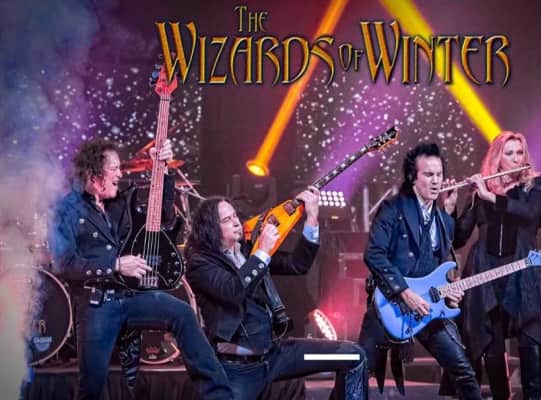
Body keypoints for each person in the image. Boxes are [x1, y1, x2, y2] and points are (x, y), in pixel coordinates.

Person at [49, 138, 232, 400]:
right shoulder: (65, 210)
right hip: (97, 304)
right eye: (114, 168)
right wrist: (115, 265)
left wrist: (163, 169)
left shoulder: (120, 201)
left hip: (132, 296)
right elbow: (64, 264)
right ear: (94, 173)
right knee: (92, 387)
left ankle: (220, 396)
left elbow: (163, 215)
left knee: (182, 313)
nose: (120, 174)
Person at [185, 189, 368, 400]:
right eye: (227, 220)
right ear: (210, 228)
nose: (236, 222)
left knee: (353, 356)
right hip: (238, 368)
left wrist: (311, 218)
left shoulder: (248, 251)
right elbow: (233, 291)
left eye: (235, 215)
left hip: (277, 357)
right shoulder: (201, 264)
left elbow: (296, 264)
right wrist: (262, 251)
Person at [454, 131, 541, 399]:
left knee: (531, 337)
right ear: (497, 158)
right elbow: (459, 238)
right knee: (491, 342)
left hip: (522, 271)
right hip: (485, 273)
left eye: (520, 152)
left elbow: (530, 214)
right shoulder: (480, 190)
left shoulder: (535, 185)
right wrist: (449, 207)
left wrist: (492, 198)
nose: (516, 158)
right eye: (509, 153)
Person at [358, 143, 482, 399]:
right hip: (390, 306)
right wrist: (405, 292)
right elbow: (374, 254)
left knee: (464, 372)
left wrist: (449, 292)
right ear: (413, 177)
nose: (436, 181)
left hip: (428, 308)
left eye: (439, 174)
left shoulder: (442, 217)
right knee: (357, 374)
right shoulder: (393, 208)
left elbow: (442, 260)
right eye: (428, 174)